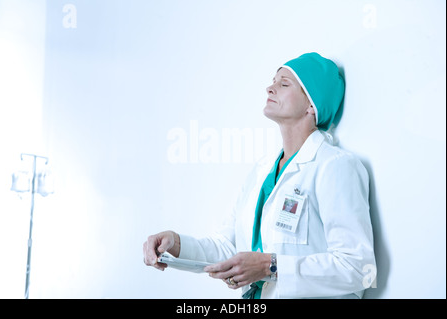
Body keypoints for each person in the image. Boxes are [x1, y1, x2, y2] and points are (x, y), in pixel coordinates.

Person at [143, 52, 376, 299]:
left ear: (312, 104)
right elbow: (228, 247)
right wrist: (176, 244)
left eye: (284, 84)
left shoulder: (334, 166)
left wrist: (270, 267)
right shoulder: (262, 171)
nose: (269, 88)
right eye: (273, 81)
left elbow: (359, 269)